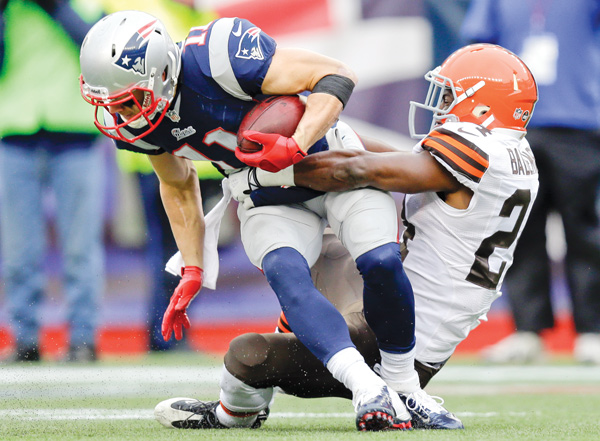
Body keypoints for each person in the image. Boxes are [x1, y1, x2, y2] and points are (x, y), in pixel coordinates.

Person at [79, 10, 457, 431]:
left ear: (164, 70)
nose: (125, 113)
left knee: (382, 260)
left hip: (331, 163)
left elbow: (335, 76)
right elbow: (178, 182)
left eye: (133, 99)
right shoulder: (138, 127)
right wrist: (191, 265)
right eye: (114, 103)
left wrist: (295, 143)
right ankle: (367, 388)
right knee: (286, 272)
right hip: (263, 192)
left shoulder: (218, 54)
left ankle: (406, 386)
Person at [153, 42, 539, 431]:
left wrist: (259, 173)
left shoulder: (478, 148)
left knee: (247, 355)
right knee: (323, 248)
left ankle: (234, 412)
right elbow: (390, 163)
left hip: (395, 338)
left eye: (451, 94)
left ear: (484, 107)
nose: (441, 103)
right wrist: (331, 131)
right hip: (413, 309)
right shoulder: (512, 151)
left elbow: (353, 171)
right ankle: (305, 332)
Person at [461, 0, 600, 365]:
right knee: (517, 230)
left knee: (586, 231)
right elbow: (479, 49)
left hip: (580, 121)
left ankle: (593, 330)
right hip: (514, 127)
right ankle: (527, 331)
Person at [0, 0, 105, 362]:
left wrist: (57, 7)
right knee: (18, 249)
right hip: (15, 131)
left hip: (75, 132)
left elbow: (101, 53)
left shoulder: (89, 3)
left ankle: (83, 339)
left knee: (80, 246)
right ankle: (25, 339)